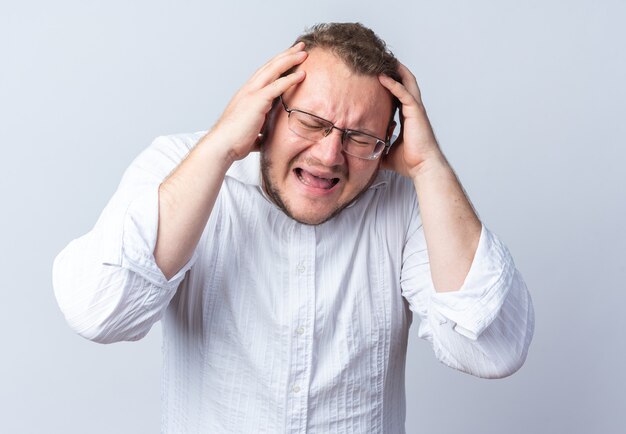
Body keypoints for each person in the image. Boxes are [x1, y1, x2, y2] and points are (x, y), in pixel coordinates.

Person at [53, 23, 534, 433]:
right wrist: (220, 145)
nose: (329, 155)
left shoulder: (408, 204)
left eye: (360, 137)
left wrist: (430, 167)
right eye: (310, 120)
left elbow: (492, 350)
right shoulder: (181, 169)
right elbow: (101, 312)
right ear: (267, 110)